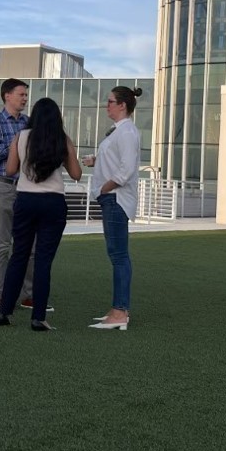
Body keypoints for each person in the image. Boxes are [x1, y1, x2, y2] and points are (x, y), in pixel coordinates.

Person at [0, 97, 82, 331]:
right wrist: (70, 151)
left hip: (25, 200)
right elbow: (76, 174)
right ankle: (38, 317)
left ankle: (4, 311)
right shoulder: (62, 140)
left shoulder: (21, 137)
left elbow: (11, 169)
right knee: (43, 260)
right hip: (53, 203)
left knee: (18, 256)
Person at [84, 86, 142, 331]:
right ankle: (117, 309)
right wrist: (96, 161)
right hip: (111, 198)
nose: (106, 105)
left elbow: (126, 169)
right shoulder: (119, 132)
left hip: (115, 198)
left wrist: (105, 189)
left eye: (110, 101)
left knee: (118, 256)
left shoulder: (127, 131)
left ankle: (120, 311)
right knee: (117, 255)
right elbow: (118, 160)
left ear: (123, 105)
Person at [0, 78, 36, 312]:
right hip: (4, 187)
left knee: (29, 245)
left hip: (27, 188)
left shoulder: (29, 123)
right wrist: (18, 142)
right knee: (3, 245)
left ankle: (28, 295)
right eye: (21, 94)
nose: (25, 98)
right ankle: (2, 296)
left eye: (26, 95)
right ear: (7, 95)